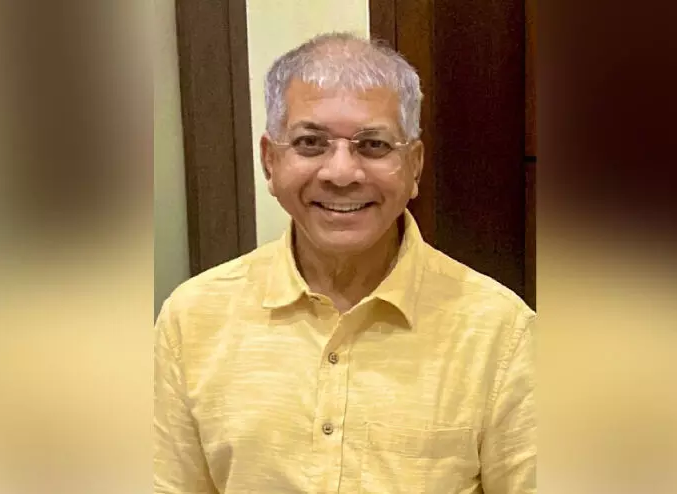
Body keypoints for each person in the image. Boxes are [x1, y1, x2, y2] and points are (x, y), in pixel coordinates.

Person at [154, 32, 536, 494]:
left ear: (414, 165)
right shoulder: (192, 318)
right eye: (310, 143)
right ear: (269, 161)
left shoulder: (500, 331)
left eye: (373, 145)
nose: (341, 173)